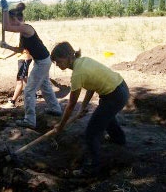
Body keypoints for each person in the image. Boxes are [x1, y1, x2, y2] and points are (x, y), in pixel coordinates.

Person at [51, 41, 129, 177]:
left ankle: (92, 169)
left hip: (114, 95)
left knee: (91, 134)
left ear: (68, 57)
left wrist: (61, 125)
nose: (57, 65)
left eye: (58, 61)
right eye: (55, 63)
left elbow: (70, 105)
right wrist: (83, 107)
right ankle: (119, 139)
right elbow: (91, 86)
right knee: (106, 117)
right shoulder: (83, 61)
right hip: (120, 88)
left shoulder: (77, 75)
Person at [0, 0, 62, 128]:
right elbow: (21, 50)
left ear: (16, 19)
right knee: (45, 86)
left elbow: (6, 27)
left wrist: (5, 10)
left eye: (11, 20)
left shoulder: (27, 28)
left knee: (29, 90)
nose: (11, 24)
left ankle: (29, 120)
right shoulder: (23, 33)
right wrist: (7, 46)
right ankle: (55, 109)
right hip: (43, 60)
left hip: (43, 62)